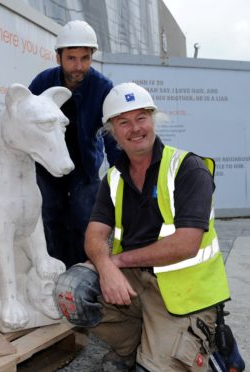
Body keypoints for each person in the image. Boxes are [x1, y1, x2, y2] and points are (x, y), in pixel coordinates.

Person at [55, 82, 232, 371]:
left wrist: (118, 261)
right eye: (124, 122)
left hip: (185, 293)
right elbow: (94, 235)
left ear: (153, 119)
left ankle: (204, 347)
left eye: (141, 118)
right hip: (137, 285)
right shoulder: (113, 178)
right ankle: (135, 348)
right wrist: (107, 267)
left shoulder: (188, 168)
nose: (135, 128)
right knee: (72, 290)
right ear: (112, 131)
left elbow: (186, 243)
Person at [29, 20, 120, 268]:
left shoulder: (102, 88)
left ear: (92, 57)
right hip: (47, 169)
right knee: (50, 220)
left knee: (86, 223)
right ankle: (55, 276)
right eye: (71, 58)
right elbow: (26, 125)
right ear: (58, 56)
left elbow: (113, 136)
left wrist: (122, 175)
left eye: (85, 58)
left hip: (84, 170)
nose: (78, 66)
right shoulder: (41, 83)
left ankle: (83, 277)